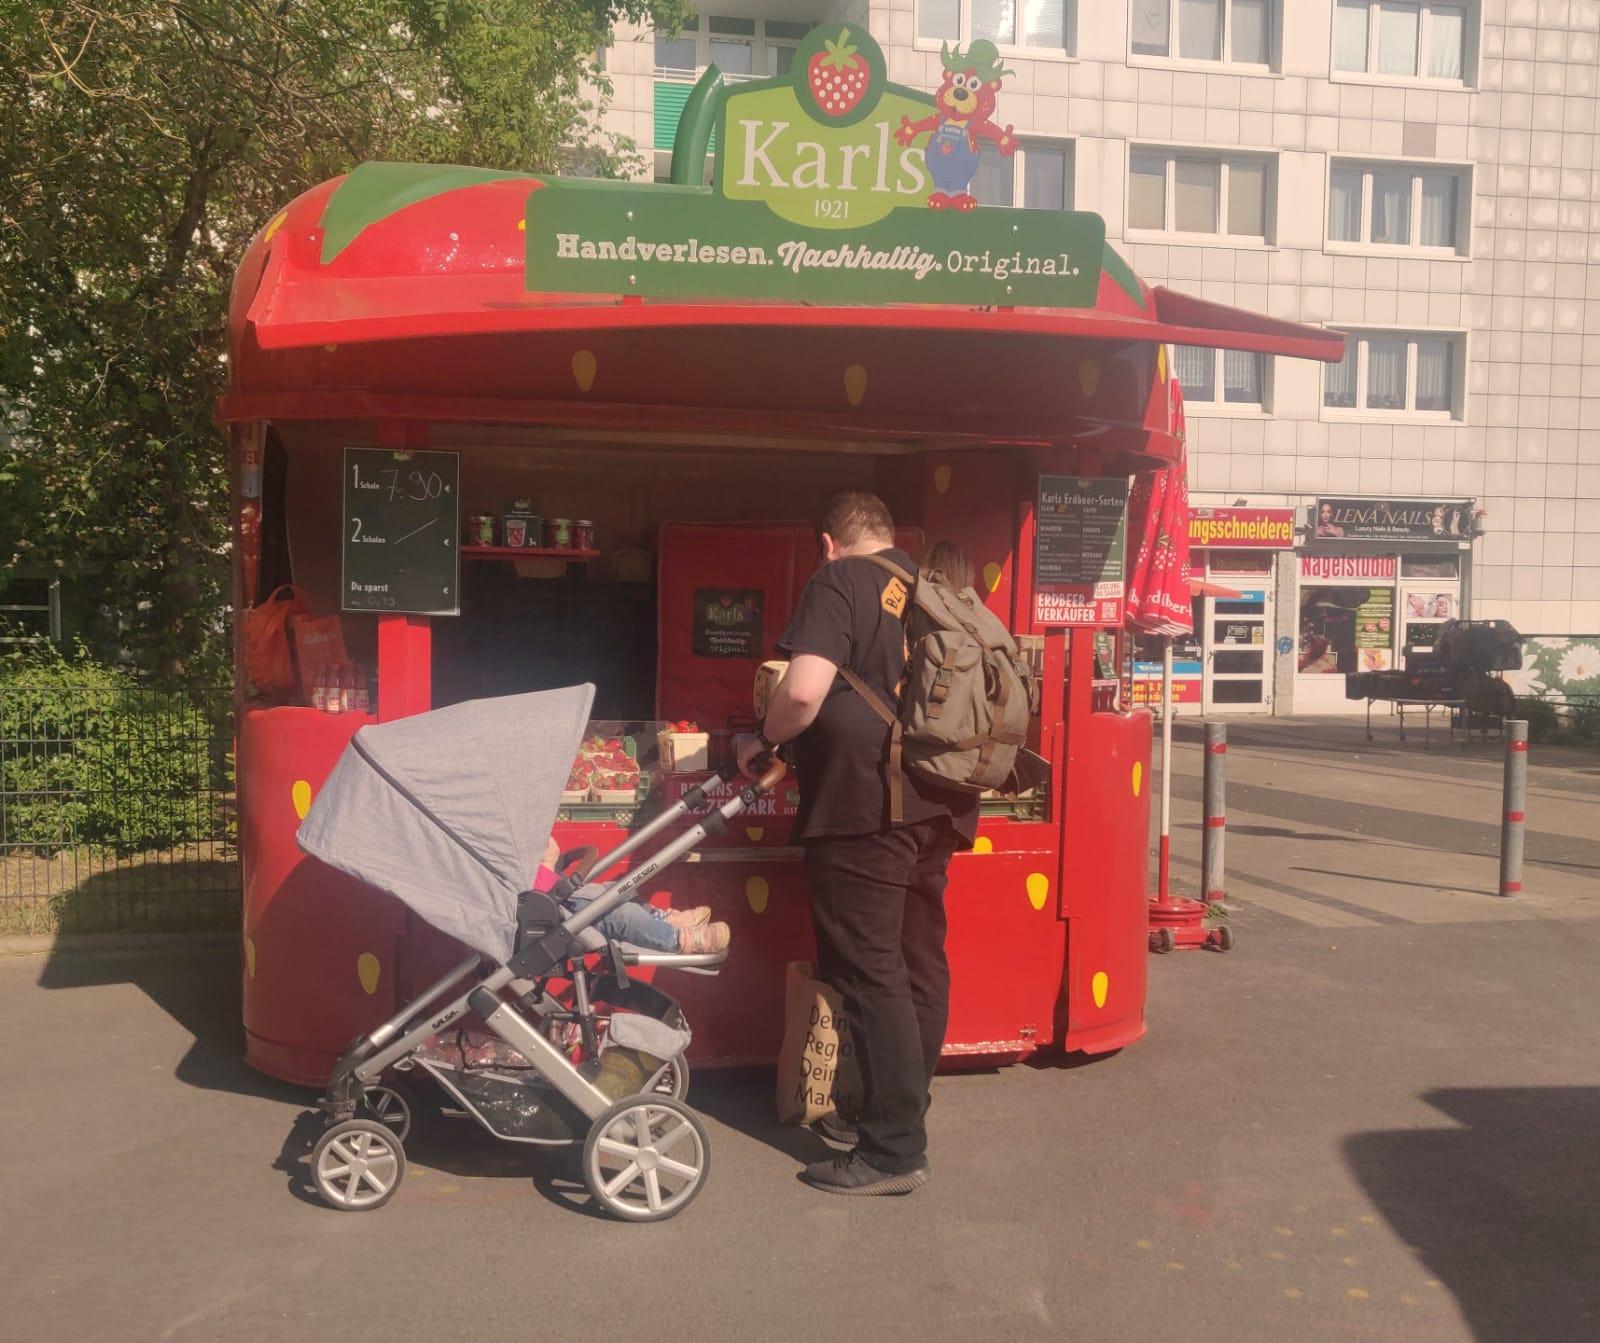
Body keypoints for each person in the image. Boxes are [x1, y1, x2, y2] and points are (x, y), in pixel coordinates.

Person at [737, 492, 977, 1196]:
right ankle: (900, 1108)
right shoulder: (931, 584)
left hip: (863, 807)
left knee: (872, 973)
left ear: (827, 543)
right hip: (938, 804)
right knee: (917, 965)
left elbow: (804, 692)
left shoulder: (838, 582)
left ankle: (893, 1150)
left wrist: (767, 738)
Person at [533, 836, 728, 954]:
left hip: (567, 897)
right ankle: (680, 939)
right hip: (556, 910)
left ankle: (661, 918)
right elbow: (534, 895)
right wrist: (548, 863)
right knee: (624, 916)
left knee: (617, 888)